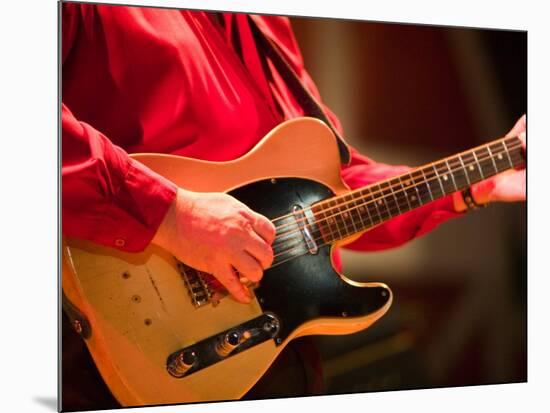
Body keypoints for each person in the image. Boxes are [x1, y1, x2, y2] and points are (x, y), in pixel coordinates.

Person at [61, 2, 526, 410]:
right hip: (108, 332)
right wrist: (169, 213)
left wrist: (476, 182)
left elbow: (335, 188)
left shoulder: (266, 23)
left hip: (263, 358)